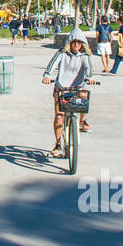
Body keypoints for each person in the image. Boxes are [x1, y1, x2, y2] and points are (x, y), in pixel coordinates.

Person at [42, 27, 93, 156]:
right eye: (74, 41)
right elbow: (52, 65)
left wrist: (90, 78)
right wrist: (47, 76)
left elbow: (88, 70)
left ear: (83, 44)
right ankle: (58, 144)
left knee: (84, 97)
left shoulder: (85, 56)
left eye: (79, 42)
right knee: (59, 117)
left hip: (77, 87)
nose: (76, 44)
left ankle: (82, 121)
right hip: (61, 88)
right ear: (69, 42)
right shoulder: (62, 53)